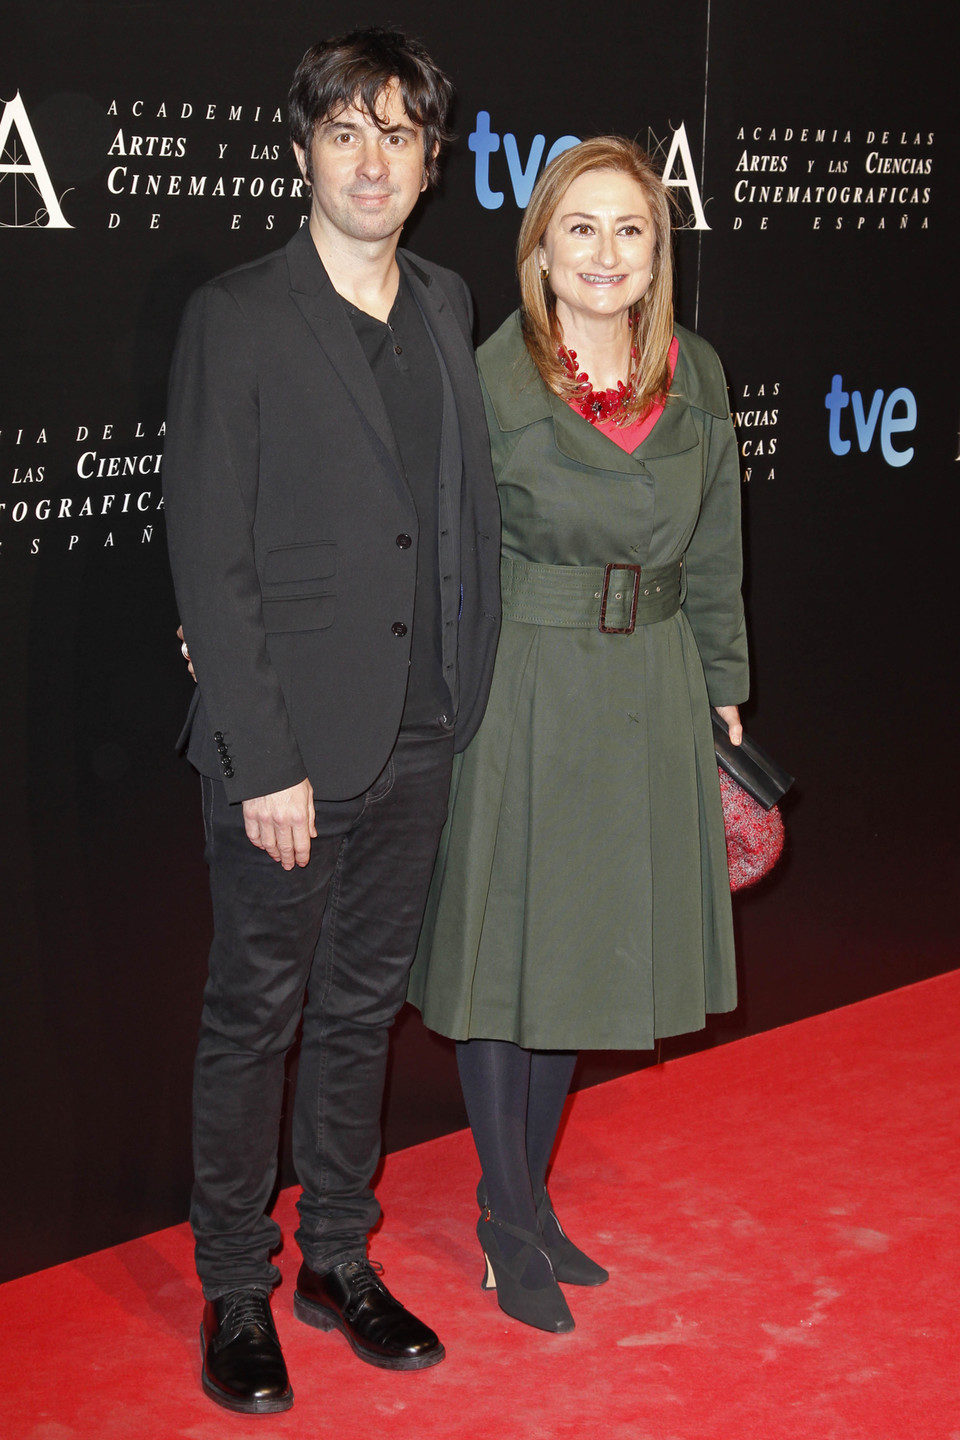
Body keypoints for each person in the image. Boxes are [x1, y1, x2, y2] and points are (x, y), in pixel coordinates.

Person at [163, 28, 500, 1414]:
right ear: (303, 148)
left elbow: (459, 517)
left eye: (400, 135)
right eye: (347, 132)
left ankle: (339, 1261)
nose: (374, 160)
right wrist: (262, 755)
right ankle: (238, 1284)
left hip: (423, 730)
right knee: (257, 1014)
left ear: (430, 162)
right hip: (290, 751)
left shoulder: (443, 299)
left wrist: (469, 692)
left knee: (361, 1012)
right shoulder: (236, 315)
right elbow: (209, 550)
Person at [406, 136, 749, 1334]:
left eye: (632, 230)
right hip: (525, 689)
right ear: (540, 246)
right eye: (583, 229)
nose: (607, 253)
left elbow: (714, 549)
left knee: (583, 962)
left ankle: (530, 1209)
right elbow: (441, 553)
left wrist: (721, 684)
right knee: (514, 960)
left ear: (659, 252)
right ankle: (507, 1220)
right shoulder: (491, 377)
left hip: (650, 683)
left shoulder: (694, 371)